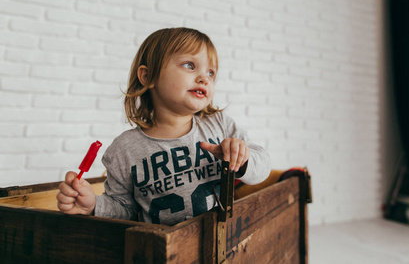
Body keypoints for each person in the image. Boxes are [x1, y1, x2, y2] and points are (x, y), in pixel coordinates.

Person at [57, 27, 270, 225]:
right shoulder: (123, 149)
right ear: (148, 76)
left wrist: (244, 159)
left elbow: (263, 167)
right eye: (189, 65)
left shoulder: (219, 125)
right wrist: (93, 205)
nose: (204, 78)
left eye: (211, 73)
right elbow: (125, 210)